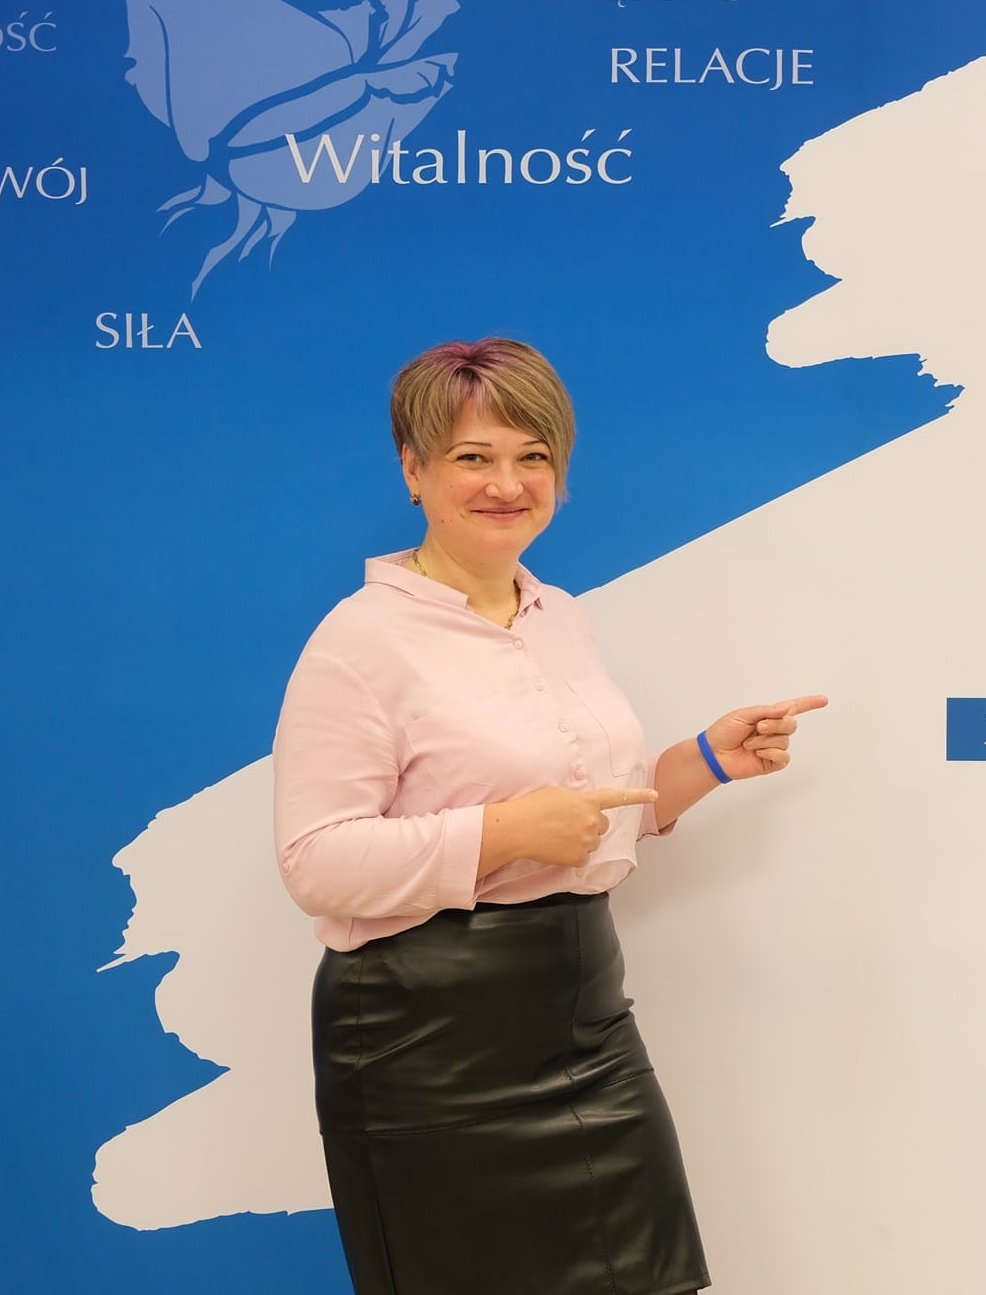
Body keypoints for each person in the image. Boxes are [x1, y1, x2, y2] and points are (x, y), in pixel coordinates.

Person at [272, 337, 825, 1294]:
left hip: (586, 1020)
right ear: (413, 470)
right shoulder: (358, 640)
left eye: (533, 456)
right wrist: (504, 833)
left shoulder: (560, 614)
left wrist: (702, 762)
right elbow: (314, 863)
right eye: (473, 457)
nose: (507, 483)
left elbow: (581, 813)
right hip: (424, 1041)